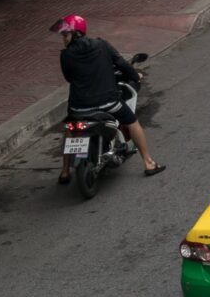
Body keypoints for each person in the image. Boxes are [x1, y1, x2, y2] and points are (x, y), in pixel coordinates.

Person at [53, 15, 161, 182]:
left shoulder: (65, 55)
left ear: (75, 34)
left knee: (70, 129)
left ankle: (65, 171)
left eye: (65, 35)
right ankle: (148, 162)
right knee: (132, 121)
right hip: (108, 103)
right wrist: (136, 76)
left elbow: (69, 78)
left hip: (78, 108)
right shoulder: (101, 45)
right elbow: (121, 64)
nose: (63, 38)